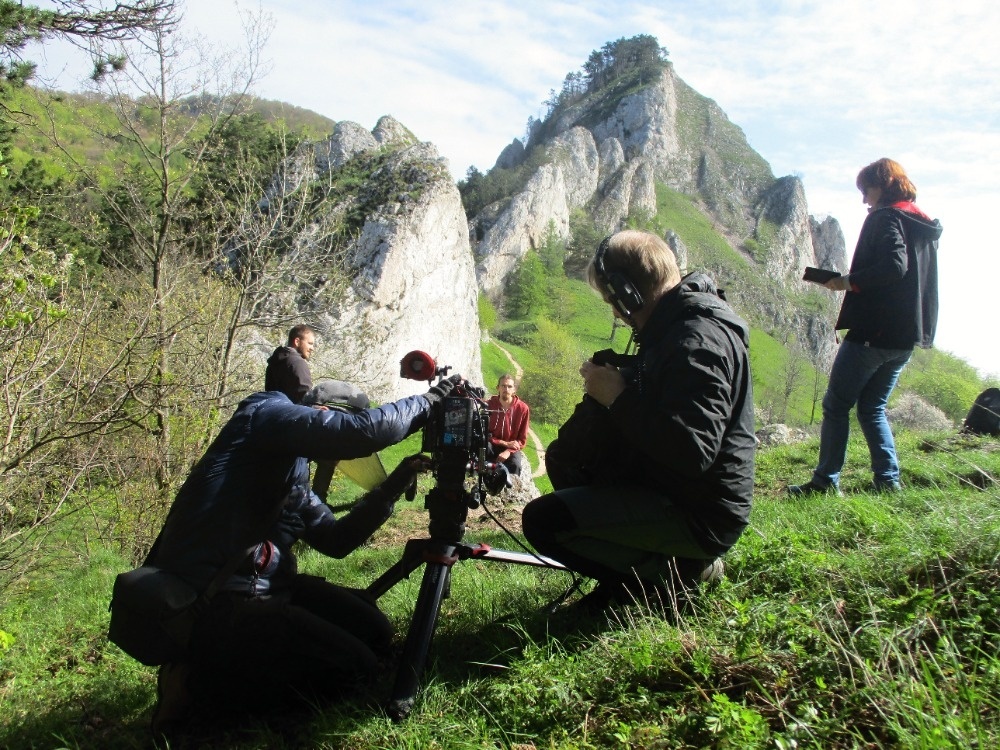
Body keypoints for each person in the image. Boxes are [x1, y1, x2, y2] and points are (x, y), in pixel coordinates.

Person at [146, 373, 463, 733]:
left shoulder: (293, 477)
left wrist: (395, 482)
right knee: (356, 669)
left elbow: (336, 539)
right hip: (217, 599)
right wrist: (430, 400)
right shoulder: (264, 413)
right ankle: (201, 687)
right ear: (322, 413)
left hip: (268, 588)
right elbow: (360, 432)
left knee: (376, 631)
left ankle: (240, 668)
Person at [521, 230, 755, 610]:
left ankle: (671, 578)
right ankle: (646, 570)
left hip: (701, 513)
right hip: (676, 488)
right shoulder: (674, 327)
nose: (614, 310)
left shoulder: (696, 340)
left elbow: (692, 450)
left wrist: (617, 396)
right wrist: (625, 376)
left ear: (628, 293)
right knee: (572, 459)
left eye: (612, 300)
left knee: (545, 521)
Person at [788, 158, 942, 496]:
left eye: (866, 191)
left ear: (883, 185)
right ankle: (888, 482)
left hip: (874, 332)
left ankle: (825, 482)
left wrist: (847, 282)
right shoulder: (922, 224)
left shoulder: (886, 218)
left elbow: (893, 266)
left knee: (836, 405)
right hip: (905, 338)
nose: (864, 200)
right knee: (872, 407)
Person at [486, 374, 530, 477]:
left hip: (511, 448)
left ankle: (508, 490)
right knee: (482, 451)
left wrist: (508, 451)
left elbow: (522, 440)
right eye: (503, 386)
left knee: (515, 465)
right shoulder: (489, 405)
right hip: (492, 444)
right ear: (498, 387)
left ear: (514, 389)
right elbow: (484, 434)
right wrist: (504, 443)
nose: (506, 389)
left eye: (509, 386)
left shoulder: (523, 409)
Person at [264, 324, 317, 403]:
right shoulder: (297, 362)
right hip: (292, 412)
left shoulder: (275, 362)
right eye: (309, 343)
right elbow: (305, 397)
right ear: (297, 342)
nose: (312, 348)